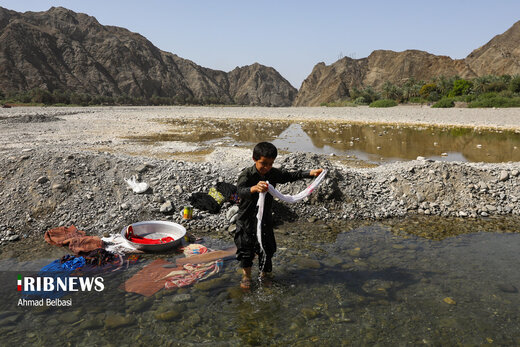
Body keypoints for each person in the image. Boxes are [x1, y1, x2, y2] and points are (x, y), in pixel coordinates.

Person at [235, 142, 323, 289]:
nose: (267, 167)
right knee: (246, 249)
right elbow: (239, 191)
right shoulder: (247, 174)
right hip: (247, 219)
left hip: (265, 219)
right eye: (263, 163)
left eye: (270, 164)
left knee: (267, 248)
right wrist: (254, 188)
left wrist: (310, 173)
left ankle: (264, 275)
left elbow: (289, 175)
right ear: (254, 159)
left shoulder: (273, 174)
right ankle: (247, 276)